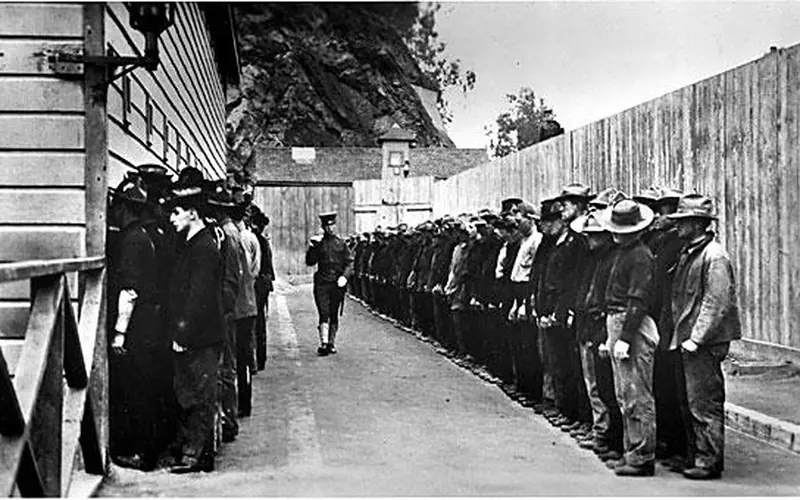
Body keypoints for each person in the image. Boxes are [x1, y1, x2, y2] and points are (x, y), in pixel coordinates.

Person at [668, 194, 741, 480]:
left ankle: (708, 460)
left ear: (697, 224)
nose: (678, 226)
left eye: (683, 221)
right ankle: (694, 455)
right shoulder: (691, 252)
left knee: (704, 403)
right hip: (687, 339)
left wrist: (697, 338)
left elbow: (716, 302)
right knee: (689, 402)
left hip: (703, 344)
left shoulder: (714, 255)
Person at [164, 186, 225, 474]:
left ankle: (198, 456)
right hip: (195, 335)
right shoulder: (193, 244)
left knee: (200, 396)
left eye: (176, 212)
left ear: (192, 213)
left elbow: (199, 297)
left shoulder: (204, 248)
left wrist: (183, 334)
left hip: (199, 338)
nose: (171, 218)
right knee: (189, 393)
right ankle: (192, 451)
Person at [596, 199, 658, 477]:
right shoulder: (625, 252)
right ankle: (632, 450)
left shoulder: (640, 256)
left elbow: (638, 300)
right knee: (625, 393)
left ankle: (642, 455)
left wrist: (626, 337)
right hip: (618, 320)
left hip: (630, 322)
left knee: (637, 394)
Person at [107, 177, 163, 471]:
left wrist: (119, 334)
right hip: (149, 323)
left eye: (117, 206)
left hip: (137, 326)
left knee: (137, 389)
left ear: (125, 209)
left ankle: (142, 453)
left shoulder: (131, 240)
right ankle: (147, 449)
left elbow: (129, 291)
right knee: (145, 386)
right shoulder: (144, 235)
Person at [305, 211, 353, 355]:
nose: (329, 228)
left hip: (337, 283)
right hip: (322, 282)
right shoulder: (319, 244)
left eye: (332, 226)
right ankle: (324, 342)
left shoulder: (341, 243)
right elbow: (310, 261)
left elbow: (349, 263)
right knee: (323, 312)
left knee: (333, 313)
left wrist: (344, 277)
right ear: (323, 227)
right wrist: (312, 247)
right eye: (327, 226)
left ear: (335, 226)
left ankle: (331, 342)